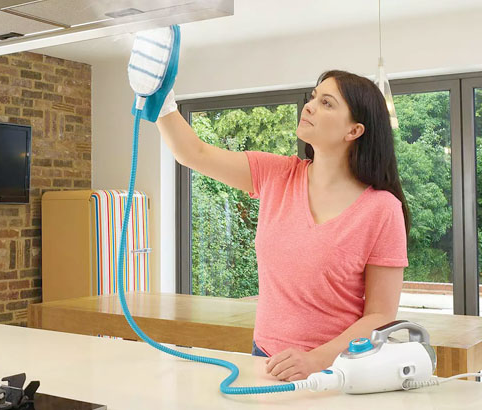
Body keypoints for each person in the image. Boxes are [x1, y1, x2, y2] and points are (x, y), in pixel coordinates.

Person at [155, 70, 410, 382]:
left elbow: (380, 315)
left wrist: (315, 360)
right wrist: (161, 100)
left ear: (354, 130)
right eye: (314, 97)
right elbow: (193, 153)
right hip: (266, 360)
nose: (310, 106)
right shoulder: (277, 175)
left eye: (327, 103)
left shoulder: (382, 209)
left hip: (337, 370)